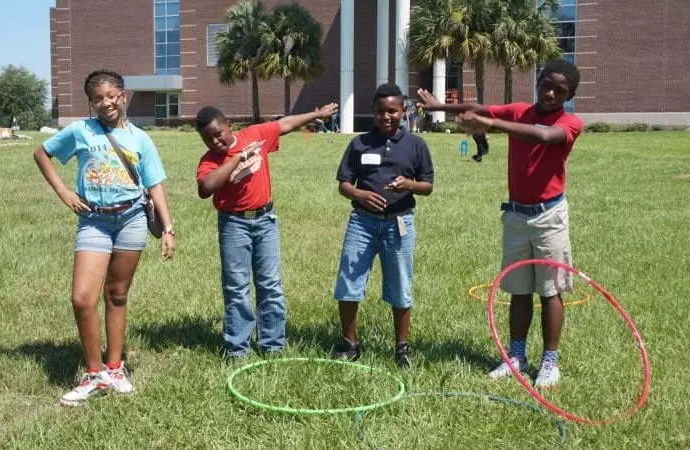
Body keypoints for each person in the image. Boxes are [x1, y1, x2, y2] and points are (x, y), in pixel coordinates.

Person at [417, 59, 583, 387]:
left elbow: (544, 136)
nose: (549, 93)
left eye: (559, 90)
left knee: (550, 292)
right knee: (519, 290)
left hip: (549, 217)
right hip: (516, 215)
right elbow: (480, 107)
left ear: (569, 95)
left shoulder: (570, 122)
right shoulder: (522, 109)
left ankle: (550, 361)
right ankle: (516, 357)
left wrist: (490, 124)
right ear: (539, 81)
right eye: (546, 84)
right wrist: (441, 107)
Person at [33, 69, 176, 406]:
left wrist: (167, 228)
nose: (105, 102)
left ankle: (114, 367)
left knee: (117, 294)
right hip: (94, 221)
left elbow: (154, 184)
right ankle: (93, 374)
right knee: (83, 298)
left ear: (123, 96)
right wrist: (64, 191)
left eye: (111, 95)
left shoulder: (141, 138)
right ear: (91, 103)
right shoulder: (81, 130)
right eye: (97, 98)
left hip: (131, 219)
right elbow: (42, 153)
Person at [195, 103, 338, 360]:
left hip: (265, 221)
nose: (215, 141)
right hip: (233, 224)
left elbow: (284, 124)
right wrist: (237, 157)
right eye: (208, 138)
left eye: (219, 134)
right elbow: (207, 187)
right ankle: (238, 349)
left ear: (229, 126)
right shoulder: (209, 161)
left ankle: (273, 345)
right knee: (236, 287)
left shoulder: (255, 135)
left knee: (270, 285)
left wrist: (316, 114)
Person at [332, 83, 434, 369]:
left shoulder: (416, 145)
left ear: (403, 111)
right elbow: (343, 184)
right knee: (348, 282)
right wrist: (359, 194)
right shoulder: (359, 143)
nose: (385, 116)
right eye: (380, 111)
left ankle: (402, 348)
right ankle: (350, 344)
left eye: (392, 111)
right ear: (373, 112)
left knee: (401, 285)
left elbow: (427, 187)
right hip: (362, 223)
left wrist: (408, 184)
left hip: (399, 222)